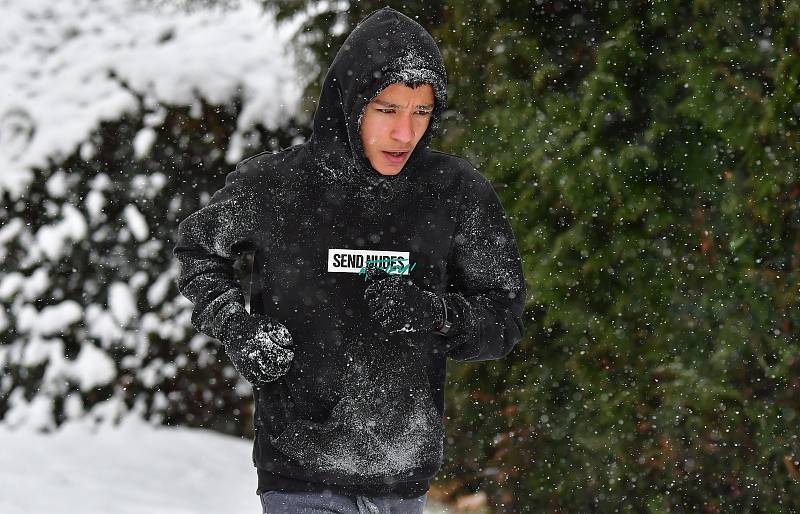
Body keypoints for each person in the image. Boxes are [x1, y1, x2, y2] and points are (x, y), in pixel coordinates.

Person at [173, 6, 527, 514]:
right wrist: (239, 329)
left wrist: (437, 315)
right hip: (299, 475)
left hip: (401, 478)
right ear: (350, 102)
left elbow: (504, 318)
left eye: (421, 112)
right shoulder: (277, 187)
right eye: (387, 110)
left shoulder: (455, 194)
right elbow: (198, 252)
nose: (405, 133)